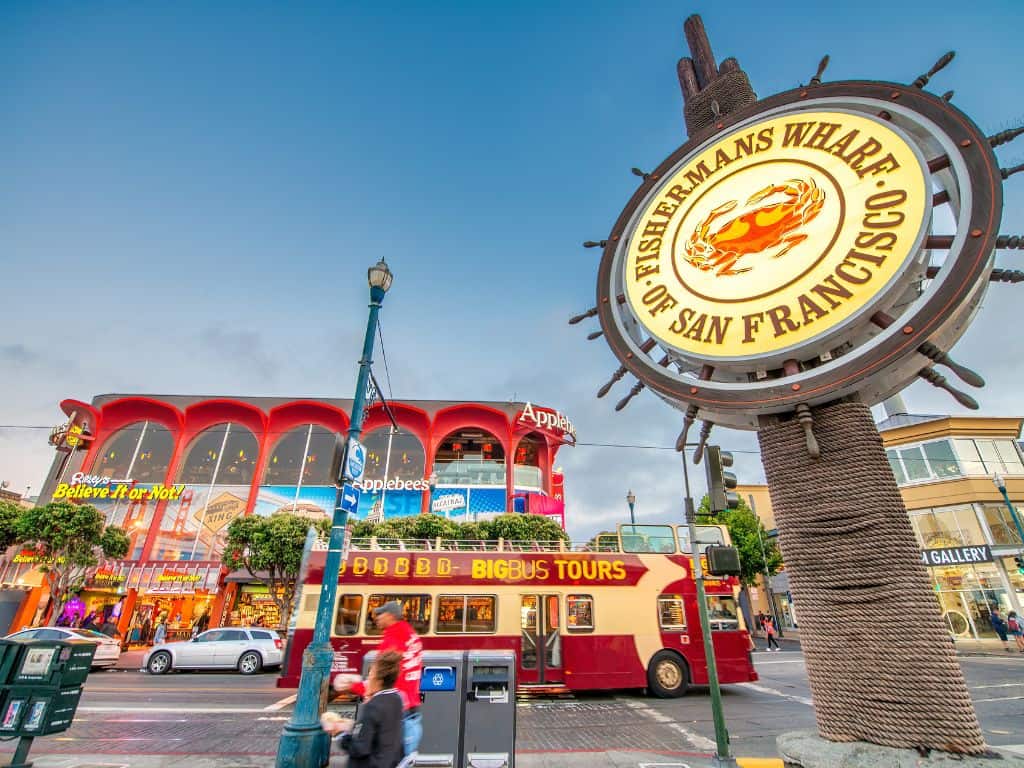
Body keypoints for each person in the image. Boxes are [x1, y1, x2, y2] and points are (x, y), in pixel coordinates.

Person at [334, 601, 423, 763]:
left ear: (390, 616)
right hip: (411, 710)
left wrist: (352, 685)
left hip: (395, 711)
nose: (376, 618)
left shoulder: (393, 638)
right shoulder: (411, 635)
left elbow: (381, 678)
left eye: (380, 614)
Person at [323, 651, 404, 768]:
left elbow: (361, 748)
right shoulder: (397, 699)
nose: (367, 680)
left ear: (379, 682)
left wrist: (340, 733)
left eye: (370, 676)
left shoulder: (373, 706)